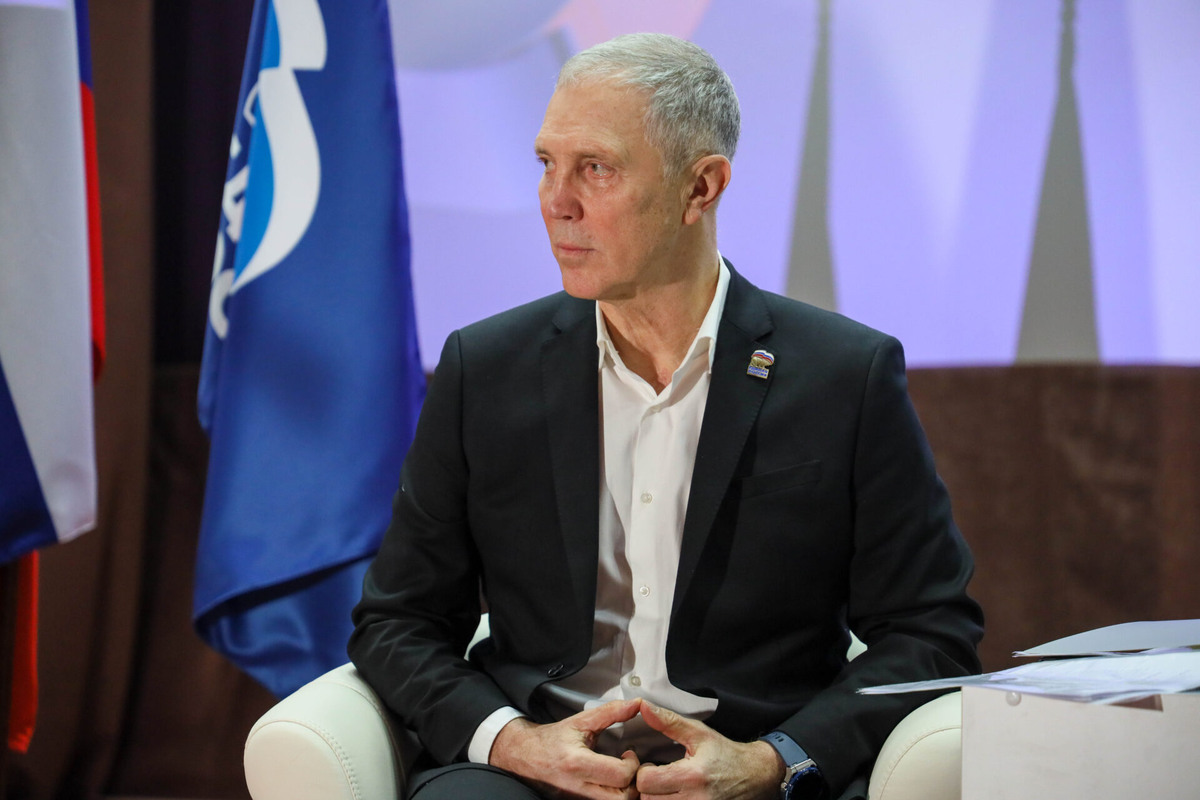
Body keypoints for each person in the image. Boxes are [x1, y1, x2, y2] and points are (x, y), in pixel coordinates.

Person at [349, 32, 983, 800]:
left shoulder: (844, 375)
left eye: (596, 168)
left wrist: (774, 760)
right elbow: (398, 622)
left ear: (700, 187)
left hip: (744, 765)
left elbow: (931, 631)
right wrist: (513, 743)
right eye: (547, 163)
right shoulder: (484, 370)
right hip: (535, 771)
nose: (556, 201)